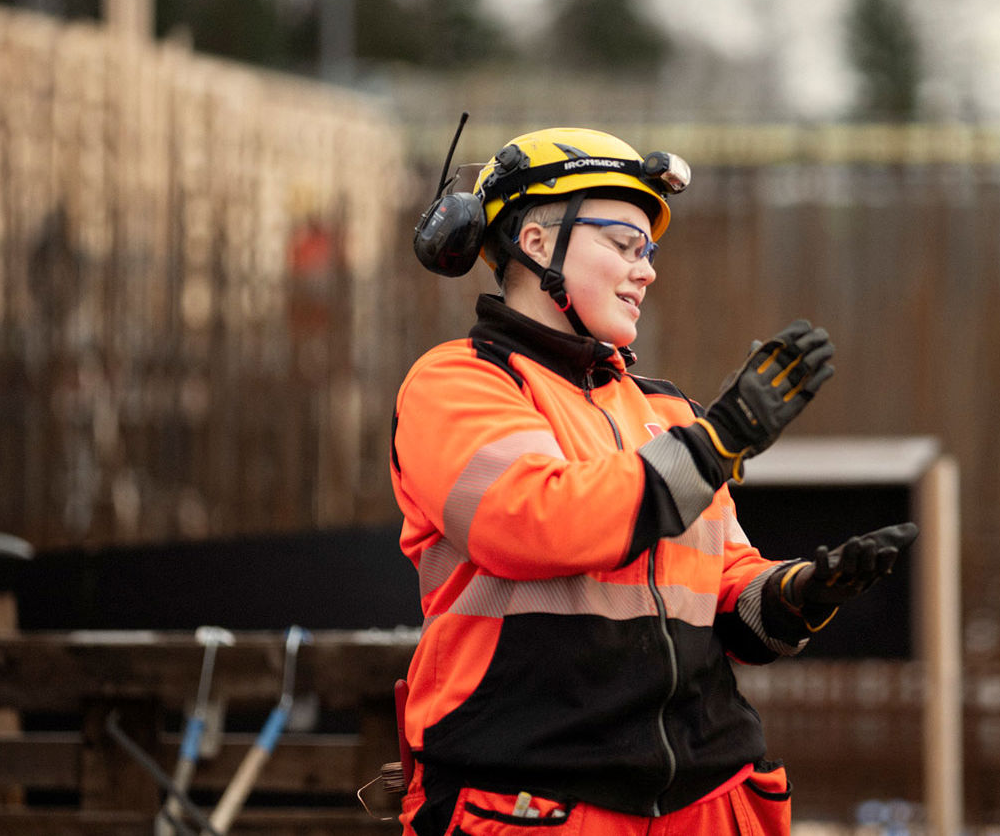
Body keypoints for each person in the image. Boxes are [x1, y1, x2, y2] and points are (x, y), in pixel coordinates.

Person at [390, 126, 917, 835]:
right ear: (538, 245)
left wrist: (797, 593)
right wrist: (714, 445)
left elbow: (725, 589)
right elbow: (535, 521)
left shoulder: (666, 411)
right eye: (622, 245)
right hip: (535, 805)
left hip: (710, 801)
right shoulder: (458, 384)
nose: (647, 271)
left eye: (650, 252)